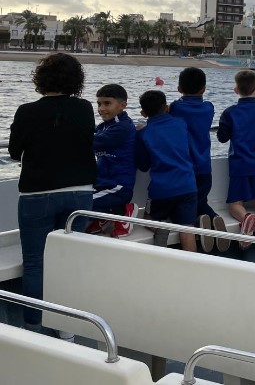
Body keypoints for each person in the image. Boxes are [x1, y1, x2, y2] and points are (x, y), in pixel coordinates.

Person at [9, 53, 96, 333]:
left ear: (41, 79)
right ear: (76, 80)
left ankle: (33, 328)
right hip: (79, 192)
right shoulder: (84, 108)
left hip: (36, 193)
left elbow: (14, 151)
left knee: (35, 263)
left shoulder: (26, 111)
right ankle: (67, 331)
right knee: (68, 262)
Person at [217, 70, 255, 247]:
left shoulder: (229, 113)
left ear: (236, 90)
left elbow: (222, 137)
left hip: (239, 164)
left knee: (235, 203)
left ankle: (246, 218)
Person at [135, 90, 197, 252]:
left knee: (147, 217)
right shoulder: (181, 123)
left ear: (143, 113)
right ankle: (193, 264)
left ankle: (160, 229)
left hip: (161, 191)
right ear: (166, 107)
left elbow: (143, 166)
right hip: (187, 185)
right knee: (187, 228)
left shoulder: (143, 134)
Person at [169, 67, 224, 252]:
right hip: (205, 166)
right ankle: (213, 217)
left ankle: (201, 220)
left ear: (179, 88)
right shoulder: (209, 108)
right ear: (203, 89)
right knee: (200, 200)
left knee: (185, 207)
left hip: (185, 169)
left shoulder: (176, 108)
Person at [90, 83, 138, 237]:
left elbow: (90, 142)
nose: (101, 108)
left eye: (107, 103)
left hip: (118, 186)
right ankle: (104, 216)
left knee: (80, 203)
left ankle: (124, 211)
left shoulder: (121, 127)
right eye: (99, 104)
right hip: (101, 183)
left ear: (122, 105)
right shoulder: (103, 126)